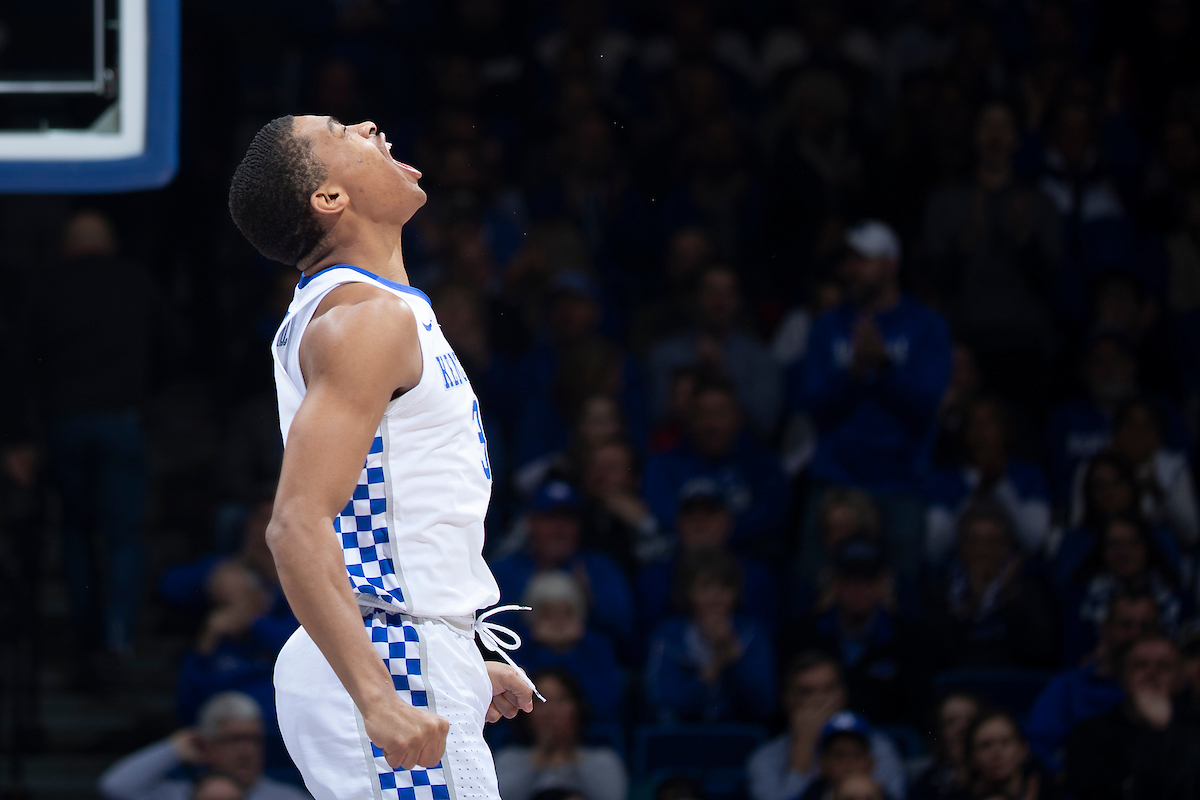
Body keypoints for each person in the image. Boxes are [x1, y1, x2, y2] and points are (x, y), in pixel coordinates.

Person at [227, 116, 535, 800]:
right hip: (388, 651)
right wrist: (380, 694)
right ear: (329, 198)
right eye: (342, 131)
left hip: (407, 646)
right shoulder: (364, 320)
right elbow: (296, 524)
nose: (370, 125)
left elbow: (394, 506)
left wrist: (457, 649)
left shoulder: (375, 311)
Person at [801, 219, 953, 590]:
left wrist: (884, 367)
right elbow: (814, 408)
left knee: (900, 595)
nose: (851, 269)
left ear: (890, 265)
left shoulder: (926, 327)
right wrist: (853, 375)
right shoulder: (827, 327)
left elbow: (926, 407)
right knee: (811, 589)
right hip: (835, 480)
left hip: (899, 483)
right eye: (849, 261)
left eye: (862, 260)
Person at [642, 377, 789, 553]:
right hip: (680, 562)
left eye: (721, 414)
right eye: (703, 414)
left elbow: (771, 515)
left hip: (747, 562)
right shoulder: (664, 464)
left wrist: (729, 532)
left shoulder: (765, 465)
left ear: (738, 418)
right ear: (689, 420)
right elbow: (660, 513)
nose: (712, 424)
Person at [1025, 591, 1160, 773]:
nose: (1135, 634)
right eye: (1126, 625)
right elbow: (1038, 746)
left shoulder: (1171, 686)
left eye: (1145, 627)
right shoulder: (1068, 686)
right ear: (1105, 628)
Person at [781, 537, 912, 724]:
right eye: (849, 578)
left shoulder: (910, 639)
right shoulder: (801, 635)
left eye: (867, 578)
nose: (858, 588)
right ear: (834, 583)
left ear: (882, 583)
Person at [491, 480, 636, 648]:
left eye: (567, 519)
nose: (558, 529)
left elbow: (625, 634)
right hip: (521, 661)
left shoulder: (599, 569)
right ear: (531, 523)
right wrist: (529, 625)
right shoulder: (506, 570)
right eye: (549, 518)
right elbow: (487, 632)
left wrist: (590, 601)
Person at [746, 653, 906, 800]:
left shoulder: (878, 747)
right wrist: (802, 748)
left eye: (829, 689)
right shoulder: (765, 759)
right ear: (788, 698)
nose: (820, 700)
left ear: (843, 694)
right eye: (807, 692)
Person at [648, 265, 783, 438]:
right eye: (710, 292)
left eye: (727, 294)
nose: (719, 301)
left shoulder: (761, 358)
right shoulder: (665, 354)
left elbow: (765, 424)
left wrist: (720, 373)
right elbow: (655, 417)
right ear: (696, 298)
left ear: (738, 300)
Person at [644, 551, 776, 723]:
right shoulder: (667, 637)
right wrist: (714, 667)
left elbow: (764, 705)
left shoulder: (752, 634)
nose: (715, 598)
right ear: (688, 592)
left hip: (739, 737)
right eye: (705, 587)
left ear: (736, 592)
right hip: (680, 738)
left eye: (725, 588)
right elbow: (661, 702)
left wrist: (735, 661)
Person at [98, 692, 309, 800]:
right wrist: (173, 749)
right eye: (235, 739)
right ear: (208, 745)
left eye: (254, 740)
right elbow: (116, 787)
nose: (247, 751)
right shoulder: (180, 793)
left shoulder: (285, 797)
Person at [1064, 634, 1200, 800]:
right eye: (1140, 665)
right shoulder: (1090, 733)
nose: (1152, 673)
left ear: (1180, 679)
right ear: (1122, 676)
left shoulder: (1195, 732)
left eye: (1164, 667)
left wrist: (1163, 730)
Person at [923, 502, 1057, 670]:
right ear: (961, 546)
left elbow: (1039, 652)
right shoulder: (940, 591)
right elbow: (935, 655)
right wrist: (971, 605)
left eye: (991, 542)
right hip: (957, 685)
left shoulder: (1027, 590)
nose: (982, 551)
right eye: (974, 541)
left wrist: (1010, 599)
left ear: (1006, 547)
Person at [636, 480, 778, 636]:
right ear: (678, 523)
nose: (700, 523)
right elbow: (646, 640)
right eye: (690, 514)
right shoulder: (654, 578)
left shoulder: (754, 575)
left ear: (728, 521)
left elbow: (768, 633)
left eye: (710, 513)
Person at [924, 396, 1051, 567]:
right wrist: (975, 493)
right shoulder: (944, 480)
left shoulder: (1028, 475)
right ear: (963, 433)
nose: (981, 432)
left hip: (1015, 577)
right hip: (957, 578)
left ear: (1004, 429)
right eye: (973, 424)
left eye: (989, 423)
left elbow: (1035, 540)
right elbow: (934, 547)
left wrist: (1000, 484)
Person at [1061, 514, 1186, 666]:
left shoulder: (1178, 599)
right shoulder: (1080, 598)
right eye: (1115, 544)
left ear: (1147, 547)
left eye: (1132, 543)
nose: (1123, 552)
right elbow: (1071, 660)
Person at [493, 669, 627, 800]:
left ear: (577, 709)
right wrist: (541, 756)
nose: (551, 712)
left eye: (560, 700)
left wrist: (569, 756)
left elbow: (612, 796)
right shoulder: (508, 759)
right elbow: (500, 796)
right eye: (541, 702)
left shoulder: (603, 761)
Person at [518, 572, 624, 721]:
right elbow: (516, 706)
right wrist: (549, 650)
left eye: (566, 613)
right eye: (549, 615)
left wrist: (568, 652)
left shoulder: (597, 646)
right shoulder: (520, 646)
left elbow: (606, 704)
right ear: (533, 618)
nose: (558, 622)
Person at [961, 710, 1055, 800]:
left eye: (1005, 742)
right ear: (972, 757)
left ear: (1023, 749)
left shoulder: (1054, 792)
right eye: (986, 745)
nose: (996, 753)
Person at [909, 693, 982, 800]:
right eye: (951, 722)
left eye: (970, 720)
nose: (962, 728)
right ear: (939, 733)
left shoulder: (998, 776)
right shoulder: (926, 784)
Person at [794, 713, 882, 800]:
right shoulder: (807, 796)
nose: (849, 761)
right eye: (840, 755)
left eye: (857, 755)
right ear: (823, 762)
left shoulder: (886, 794)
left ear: (870, 763)